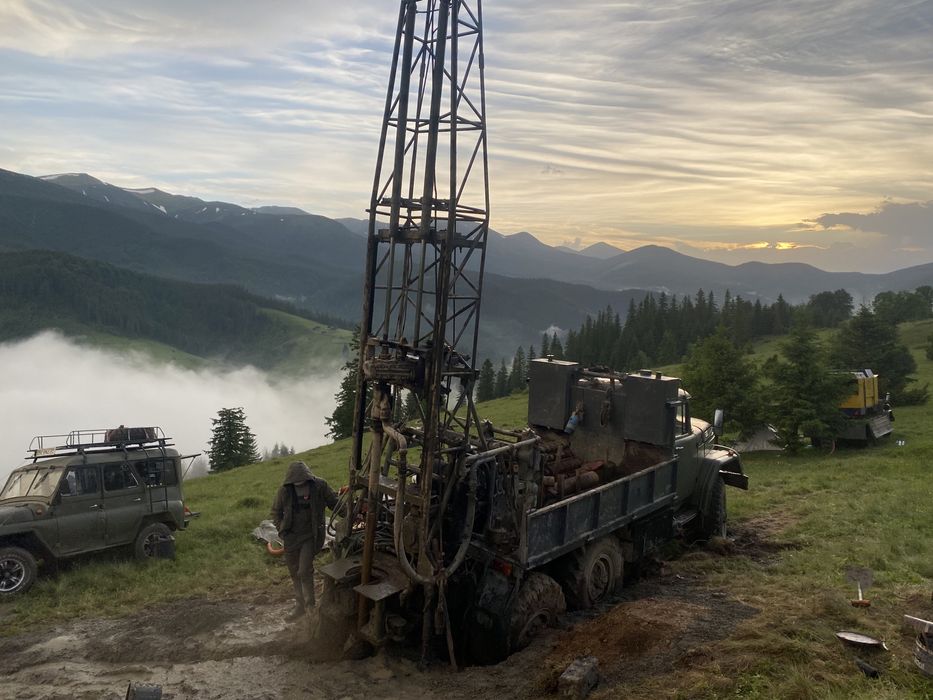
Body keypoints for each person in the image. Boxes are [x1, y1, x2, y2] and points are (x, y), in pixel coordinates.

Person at [270, 460, 338, 620]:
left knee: (304, 570)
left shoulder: (320, 486)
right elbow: (275, 512)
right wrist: (282, 530)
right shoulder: (284, 491)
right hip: (291, 537)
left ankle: (310, 605)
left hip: (311, 535)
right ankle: (299, 606)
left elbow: (335, 503)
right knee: (294, 573)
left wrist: (352, 514)